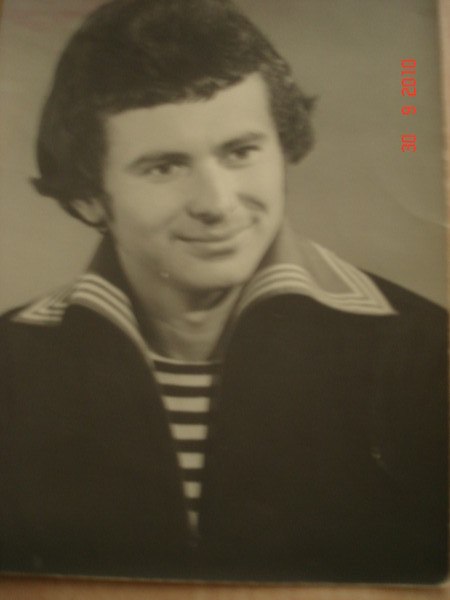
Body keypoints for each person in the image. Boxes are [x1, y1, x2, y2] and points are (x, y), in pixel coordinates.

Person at [0, 0, 447, 585]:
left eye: (240, 152)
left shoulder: (427, 353)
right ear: (88, 197)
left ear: (282, 148)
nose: (216, 203)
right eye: (164, 167)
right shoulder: (10, 365)